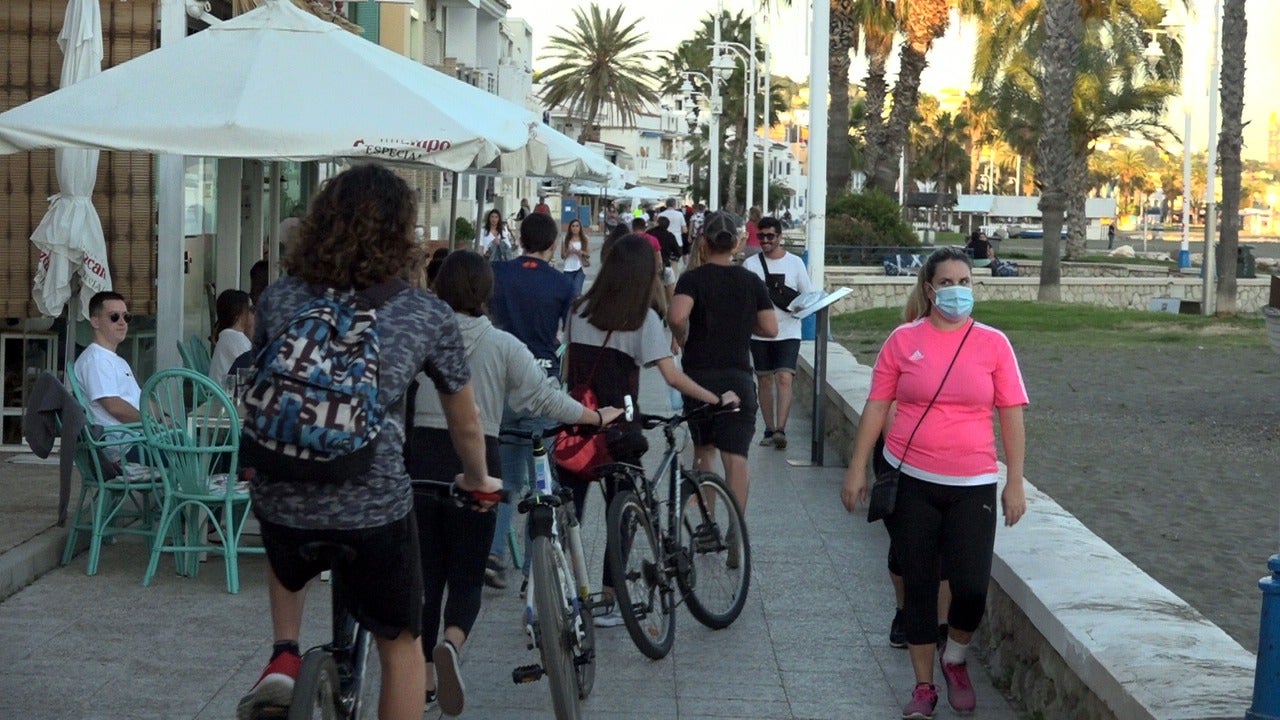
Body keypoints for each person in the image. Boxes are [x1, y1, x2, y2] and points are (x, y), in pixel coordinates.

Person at [236, 164, 499, 720]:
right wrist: (476, 479)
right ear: (403, 234)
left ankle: (283, 656)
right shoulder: (426, 312)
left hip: (282, 493)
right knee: (402, 645)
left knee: (286, 531)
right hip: (372, 502)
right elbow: (467, 424)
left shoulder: (280, 298)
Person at [406, 251, 621, 715]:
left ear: (436, 286)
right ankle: (453, 642)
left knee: (427, 578)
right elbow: (544, 397)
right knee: (466, 575)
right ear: (486, 294)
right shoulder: (502, 344)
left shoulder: (414, 337)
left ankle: (424, 678)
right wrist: (594, 416)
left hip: (419, 462)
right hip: (477, 460)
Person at [839, 247, 1028, 718]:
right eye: (947, 283)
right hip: (912, 478)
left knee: (969, 588)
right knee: (920, 587)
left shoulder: (994, 344)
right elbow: (878, 405)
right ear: (929, 289)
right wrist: (858, 467)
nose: (958, 291)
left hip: (975, 481)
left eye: (966, 281)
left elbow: (1011, 416)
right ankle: (924, 687)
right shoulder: (903, 340)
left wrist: (1016, 481)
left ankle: (955, 657)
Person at [563, 233, 736, 625]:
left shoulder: (577, 310)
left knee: (570, 510)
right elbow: (672, 377)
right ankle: (610, 597)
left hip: (576, 420)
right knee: (621, 511)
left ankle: (562, 588)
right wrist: (714, 398)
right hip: (620, 427)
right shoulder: (642, 320)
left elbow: (571, 365)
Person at [486, 212, 575, 589]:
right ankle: (533, 571)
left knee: (505, 477)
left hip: (503, 381)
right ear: (553, 244)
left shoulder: (498, 274)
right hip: (542, 382)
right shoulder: (562, 284)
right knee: (542, 480)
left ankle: (493, 552)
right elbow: (565, 335)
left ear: (520, 238)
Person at [668, 212, 778, 511]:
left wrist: (681, 335)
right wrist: (741, 325)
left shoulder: (692, 279)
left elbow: (677, 316)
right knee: (737, 457)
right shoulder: (750, 280)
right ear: (737, 243)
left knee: (704, 451)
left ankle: (708, 523)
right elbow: (770, 328)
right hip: (738, 377)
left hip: (699, 377)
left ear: (704, 242)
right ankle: (737, 533)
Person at [744, 216, 814, 450]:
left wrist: (798, 308)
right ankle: (769, 427)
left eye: (769, 236)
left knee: (784, 378)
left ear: (779, 237)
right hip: (759, 333)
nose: (764, 240)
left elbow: (808, 294)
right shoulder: (751, 265)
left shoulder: (795, 263)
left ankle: (780, 430)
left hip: (789, 331)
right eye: (761, 236)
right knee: (764, 379)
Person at [74, 291, 141, 430]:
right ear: (95, 322)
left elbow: (141, 399)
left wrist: (163, 417)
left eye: (126, 317)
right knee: (184, 447)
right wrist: (150, 422)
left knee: (183, 441)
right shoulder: (96, 360)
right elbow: (114, 406)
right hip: (123, 443)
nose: (122, 322)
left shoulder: (117, 360)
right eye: (114, 317)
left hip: (139, 439)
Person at [209, 289, 254, 383]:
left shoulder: (229, 337)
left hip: (223, 394)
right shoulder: (234, 338)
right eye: (251, 309)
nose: (253, 314)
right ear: (239, 314)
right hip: (226, 396)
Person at [561, 218, 591, 298]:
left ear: (580, 227)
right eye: (573, 226)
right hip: (568, 269)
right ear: (570, 228)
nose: (575, 228)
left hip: (580, 268)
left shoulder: (585, 239)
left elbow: (588, 255)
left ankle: (575, 305)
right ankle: (571, 308)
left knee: (576, 291)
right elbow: (563, 256)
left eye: (577, 226)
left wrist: (580, 252)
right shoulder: (565, 239)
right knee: (568, 292)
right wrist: (569, 252)